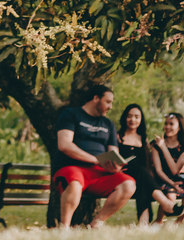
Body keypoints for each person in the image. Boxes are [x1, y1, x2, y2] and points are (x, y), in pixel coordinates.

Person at [52, 84, 136, 228]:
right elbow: (64, 145)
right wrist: (95, 160)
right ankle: (64, 228)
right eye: (108, 102)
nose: (110, 106)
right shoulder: (71, 114)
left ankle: (96, 224)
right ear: (96, 98)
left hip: (100, 172)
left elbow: (113, 152)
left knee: (128, 184)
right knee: (75, 183)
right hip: (72, 168)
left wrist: (115, 166)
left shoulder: (108, 123)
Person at [117, 103, 155, 224]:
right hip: (123, 175)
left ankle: (143, 223)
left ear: (141, 119)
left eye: (136, 117)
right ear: (125, 118)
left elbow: (148, 162)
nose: (133, 119)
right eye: (129, 116)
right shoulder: (118, 137)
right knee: (141, 172)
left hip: (140, 177)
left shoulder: (143, 138)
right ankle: (165, 203)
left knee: (142, 177)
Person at [149, 111, 184, 222]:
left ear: (179, 127)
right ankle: (158, 221)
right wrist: (162, 146)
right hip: (161, 178)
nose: (167, 127)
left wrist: (164, 148)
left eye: (171, 124)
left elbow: (175, 171)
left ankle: (179, 222)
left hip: (177, 178)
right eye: (166, 123)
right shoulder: (156, 144)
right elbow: (158, 170)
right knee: (171, 194)